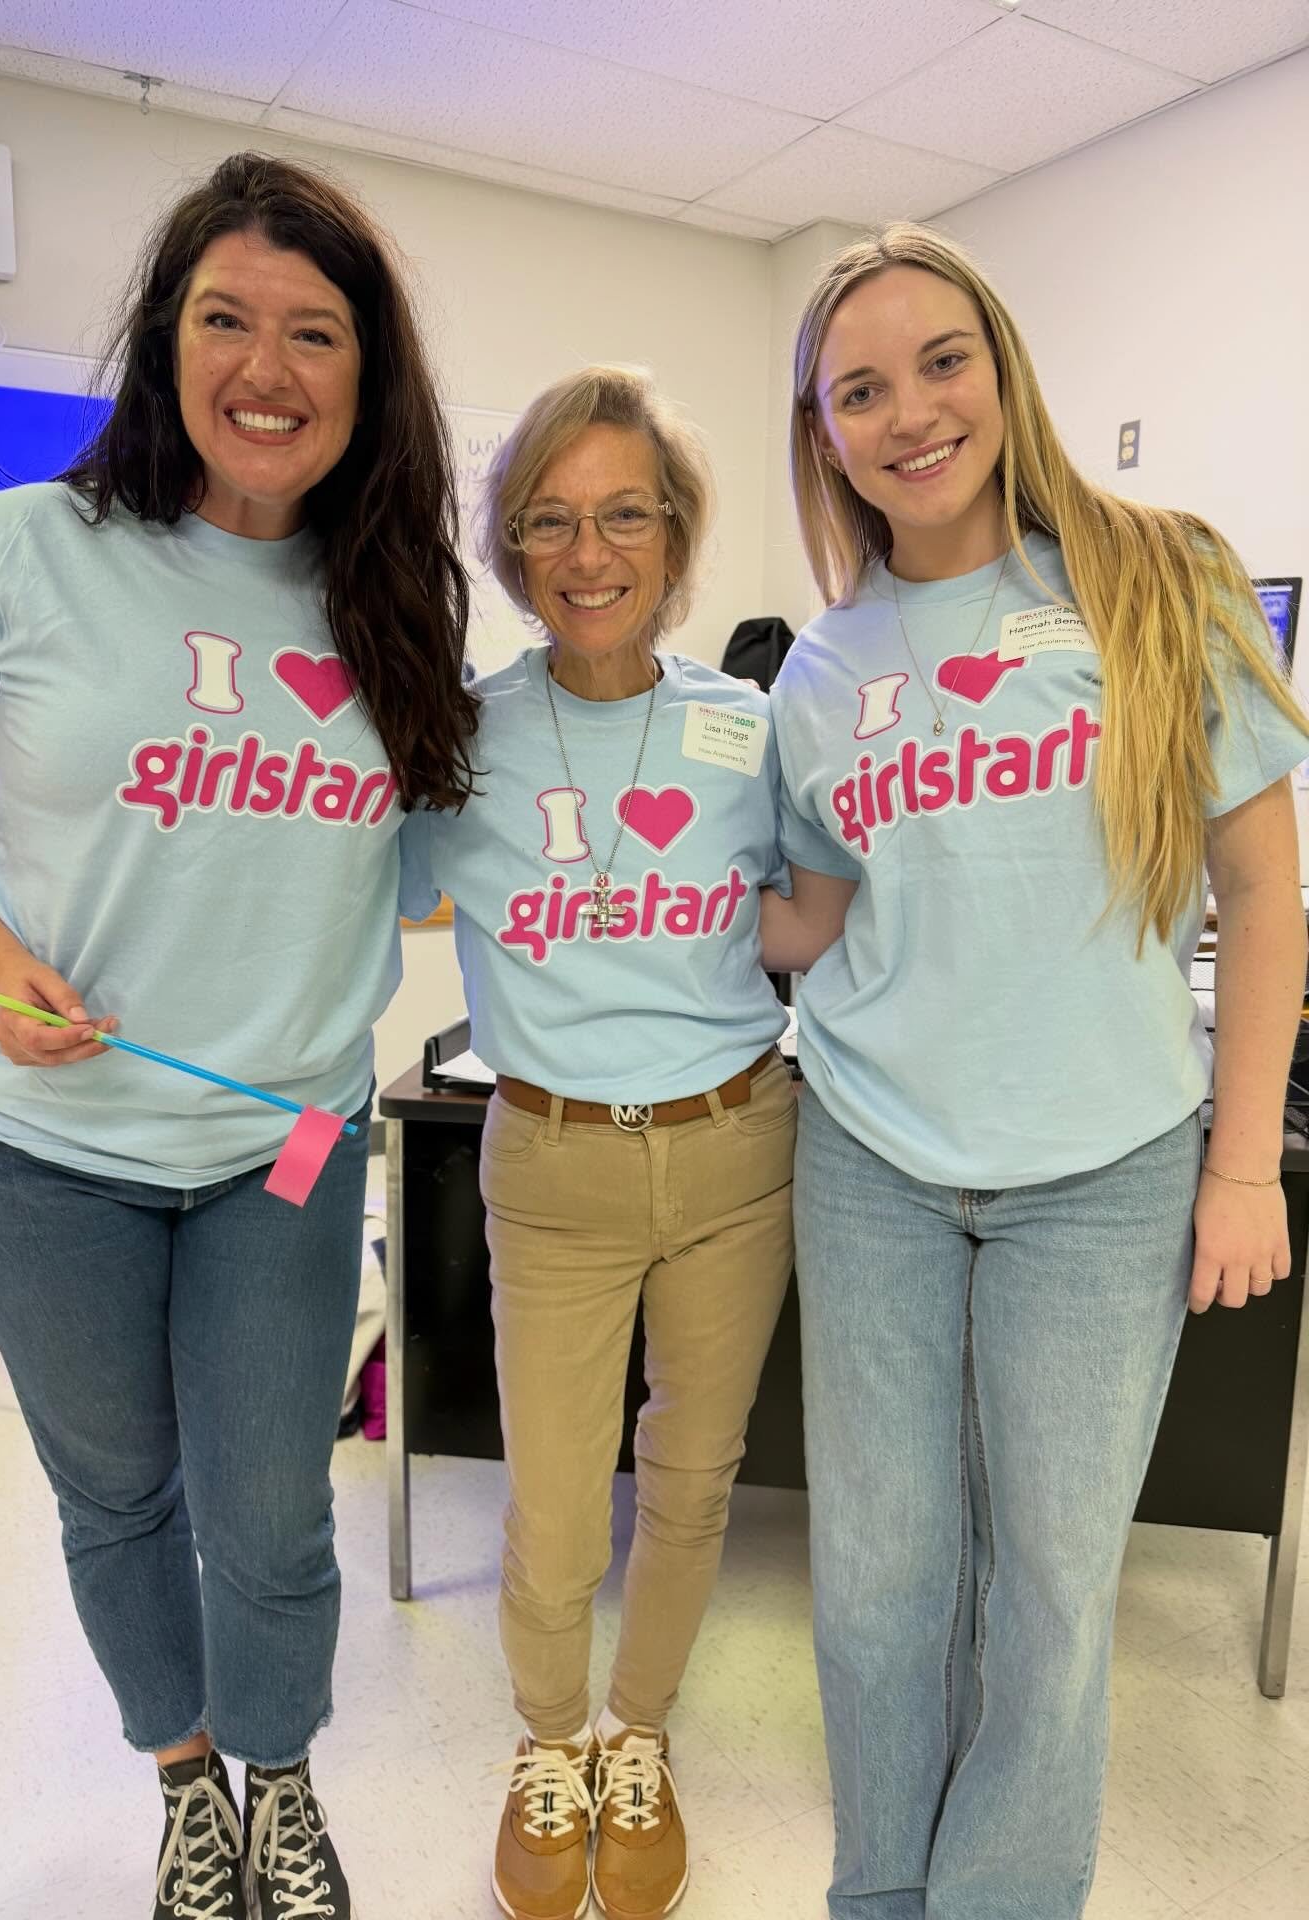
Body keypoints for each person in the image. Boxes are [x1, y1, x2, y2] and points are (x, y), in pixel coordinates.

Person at [0, 152, 477, 1920]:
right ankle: (187, 1785)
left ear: (367, 377)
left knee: (275, 1510)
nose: (266, 367)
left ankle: (282, 1779)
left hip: (281, 1147)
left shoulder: (393, 612)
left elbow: (451, 862)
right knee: (120, 1493)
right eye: (226, 319)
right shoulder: (17, 550)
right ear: (164, 335)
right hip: (36, 1151)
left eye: (314, 330)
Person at [758, 222, 1309, 1920]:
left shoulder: (1158, 579)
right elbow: (812, 920)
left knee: (1054, 1587)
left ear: (1001, 369)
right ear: (825, 434)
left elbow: (1262, 889)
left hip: (1109, 1165)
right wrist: (598, 915)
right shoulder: (826, 668)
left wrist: (1240, 1171)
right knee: (874, 1583)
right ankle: (881, 1892)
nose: (910, 412)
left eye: (941, 363)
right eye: (861, 389)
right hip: (871, 1157)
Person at [401, 365, 796, 1920]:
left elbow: (824, 914)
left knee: (693, 1475)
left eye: (624, 513)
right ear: (513, 546)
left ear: (676, 533)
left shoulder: (750, 730)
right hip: (551, 1161)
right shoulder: (468, 738)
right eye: (550, 519)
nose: (589, 551)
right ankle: (551, 1744)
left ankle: (641, 1736)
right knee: (558, 1500)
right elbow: (340, 886)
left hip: (734, 1148)